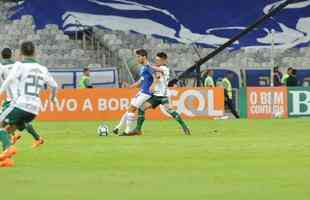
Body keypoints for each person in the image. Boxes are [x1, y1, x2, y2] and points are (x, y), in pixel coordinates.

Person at [0, 41, 58, 167]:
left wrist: (0, 92)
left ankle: (9, 148)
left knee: (1, 125)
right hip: (35, 109)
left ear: (20, 53)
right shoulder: (43, 69)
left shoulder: (19, 65)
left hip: (21, 104)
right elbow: (54, 86)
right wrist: (53, 98)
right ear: (35, 52)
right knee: (8, 129)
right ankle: (7, 160)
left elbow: (9, 79)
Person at [134, 52, 190, 135]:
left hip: (163, 95)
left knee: (170, 111)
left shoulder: (164, 68)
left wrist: (146, 63)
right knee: (142, 108)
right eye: (156, 60)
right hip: (155, 96)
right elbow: (154, 73)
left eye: (158, 60)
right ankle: (138, 129)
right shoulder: (158, 68)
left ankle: (184, 126)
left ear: (163, 60)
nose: (156, 61)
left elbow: (155, 72)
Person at [0, 48, 44, 148]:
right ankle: (35, 138)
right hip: (20, 97)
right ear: (11, 55)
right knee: (20, 122)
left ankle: (8, 146)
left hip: (12, 99)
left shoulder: (2, 66)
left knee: (3, 124)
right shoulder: (18, 65)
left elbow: (7, 80)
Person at [113, 49, 154, 136]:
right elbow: (140, 81)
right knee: (130, 109)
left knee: (132, 109)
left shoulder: (149, 66)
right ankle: (118, 127)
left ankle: (127, 130)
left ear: (144, 57)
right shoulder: (143, 68)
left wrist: (152, 86)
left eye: (139, 57)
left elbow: (156, 77)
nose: (137, 59)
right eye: (137, 57)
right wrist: (130, 86)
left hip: (146, 93)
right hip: (142, 91)